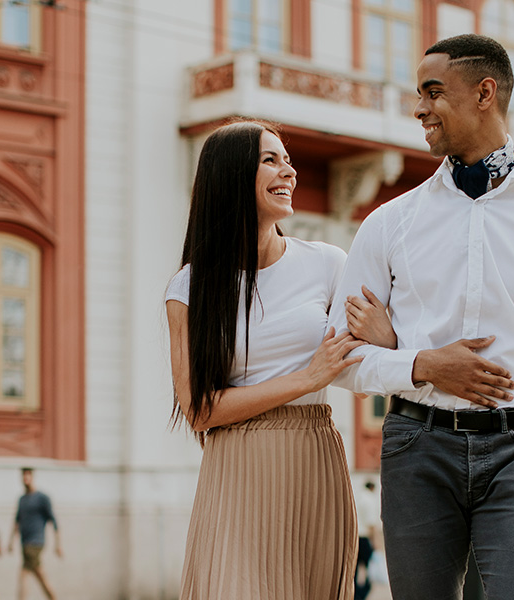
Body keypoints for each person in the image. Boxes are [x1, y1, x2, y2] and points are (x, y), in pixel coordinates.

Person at [331, 34, 514, 600]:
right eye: (419, 94)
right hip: (417, 447)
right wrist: (422, 364)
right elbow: (339, 358)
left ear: (485, 93)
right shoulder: (388, 225)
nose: (419, 108)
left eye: (433, 92)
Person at [165, 120, 395, 600]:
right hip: (236, 470)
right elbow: (200, 409)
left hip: (314, 459)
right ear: (231, 176)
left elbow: (368, 363)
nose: (287, 171)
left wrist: (387, 337)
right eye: (270, 160)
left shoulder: (329, 263)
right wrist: (307, 376)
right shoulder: (190, 286)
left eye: (286, 159)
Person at [7, 468, 61, 600]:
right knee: (40, 575)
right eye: (23, 477)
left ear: (32, 477)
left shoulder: (42, 498)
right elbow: (17, 521)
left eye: (28, 476)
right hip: (25, 543)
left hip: (36, 542)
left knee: (24, 574)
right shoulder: (22, 499)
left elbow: (54, 522)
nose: (25, 479)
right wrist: (11, 542)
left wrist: (58, 544)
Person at [354, 480, 382, 600]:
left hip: (355, 538)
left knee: (354, 569)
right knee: (369, 568)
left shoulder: (358, 497)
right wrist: (375, 542)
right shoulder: (369, 500)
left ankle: (355, 593)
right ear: (372, 488)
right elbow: (371, 524)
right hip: (365, 538)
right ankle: (363, 593)